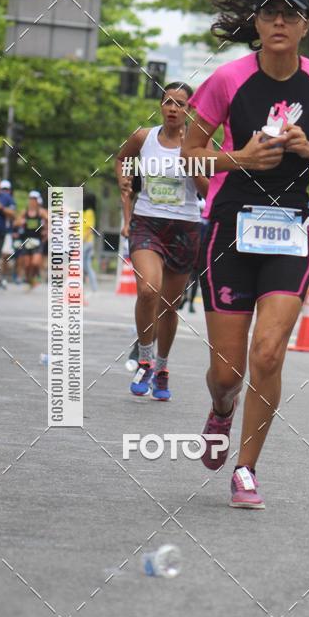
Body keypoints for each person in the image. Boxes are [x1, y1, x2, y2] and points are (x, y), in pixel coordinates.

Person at [183, 0, 309, 509]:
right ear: (256, 24)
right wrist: (238, 159)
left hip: (290, 233)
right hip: (231, 230)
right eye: (270, 15)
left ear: (306, 26)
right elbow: (190, 155)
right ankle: (221, 409)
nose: (279, 23)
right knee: (226, 370)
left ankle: (247, 470)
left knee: (269, 354)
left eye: (291, 15)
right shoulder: (227, 80)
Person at [115, 82, 202, 401]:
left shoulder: (200, 143)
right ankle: (146, 359)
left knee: (169, 305)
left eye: (180, 103)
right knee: (148, 289)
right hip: (147, 223)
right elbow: (122, 161)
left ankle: (162, 368)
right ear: (160, 105)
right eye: (167, 101)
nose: (173, 108)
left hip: (184, 227)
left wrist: (193, 162)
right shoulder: (144, 137)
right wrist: (126, 208)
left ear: (190, 109)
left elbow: (209, 189)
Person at [14, 191, 48, 289]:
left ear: (37, 201)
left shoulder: (41, 212)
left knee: (35, 262)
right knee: (27, 264)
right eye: (31, 199)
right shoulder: (25, 212)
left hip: (38, 240)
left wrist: (46, 229)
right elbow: (16, 223)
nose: (32, 201)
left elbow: (50, 220)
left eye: (34, 199)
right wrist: (21, 222)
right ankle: (30, 280)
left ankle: (35, 276)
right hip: (27, 239)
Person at [82, 193, 98, 292]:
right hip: (88, 242)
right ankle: (94, 287)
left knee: (81, 264)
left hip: (86, 242)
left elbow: (89, 228)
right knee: (86, 265)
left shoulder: (89, 212)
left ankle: (80, 284)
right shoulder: (89, 212)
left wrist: (82, 240)